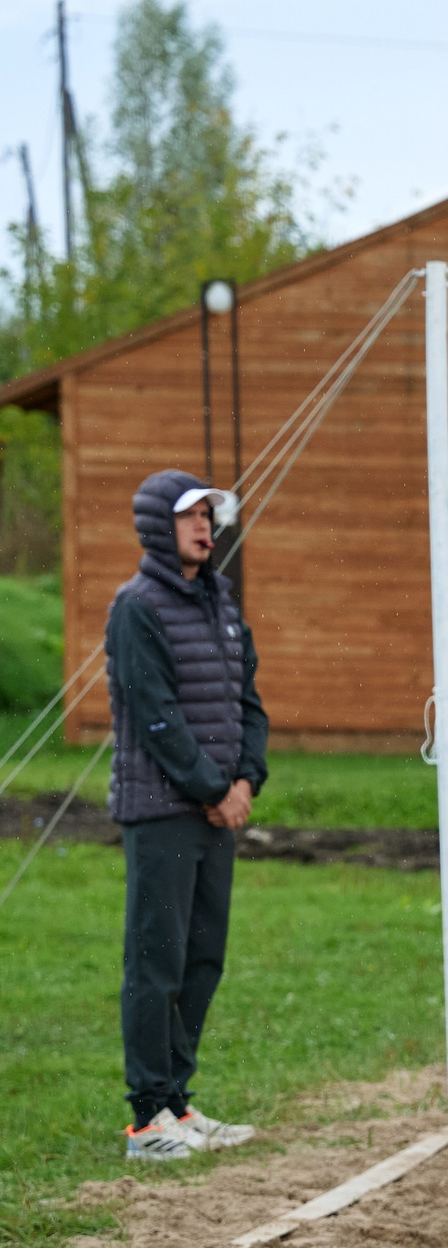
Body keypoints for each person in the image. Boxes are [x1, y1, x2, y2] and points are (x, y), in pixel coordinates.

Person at [107, 471, 267, 1161]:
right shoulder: (136, 607)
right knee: (157, 962)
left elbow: (246, 703)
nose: (205, 526)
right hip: (163, 811)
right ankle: (146, 1121)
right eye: (190, 517)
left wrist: (246, 777)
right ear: (156, 527)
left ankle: (176, 1099)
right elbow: (156, 715)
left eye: (209, 515)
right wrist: (210, 786)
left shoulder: (221, 603)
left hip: (216, 812)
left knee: (202, 959)